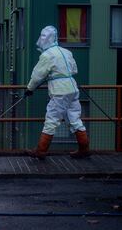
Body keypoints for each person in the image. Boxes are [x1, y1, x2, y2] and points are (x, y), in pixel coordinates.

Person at [24, 25, 90, 159]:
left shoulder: (46, 55)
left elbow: (37, 76)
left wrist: (29, 89)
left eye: (43, 37)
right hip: (72, 88)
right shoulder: (66, 52)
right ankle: (84, 149)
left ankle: (41, 151)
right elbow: (74, 70)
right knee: (75, 119)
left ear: (45, 39)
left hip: (59, 91)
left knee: (51, 120)